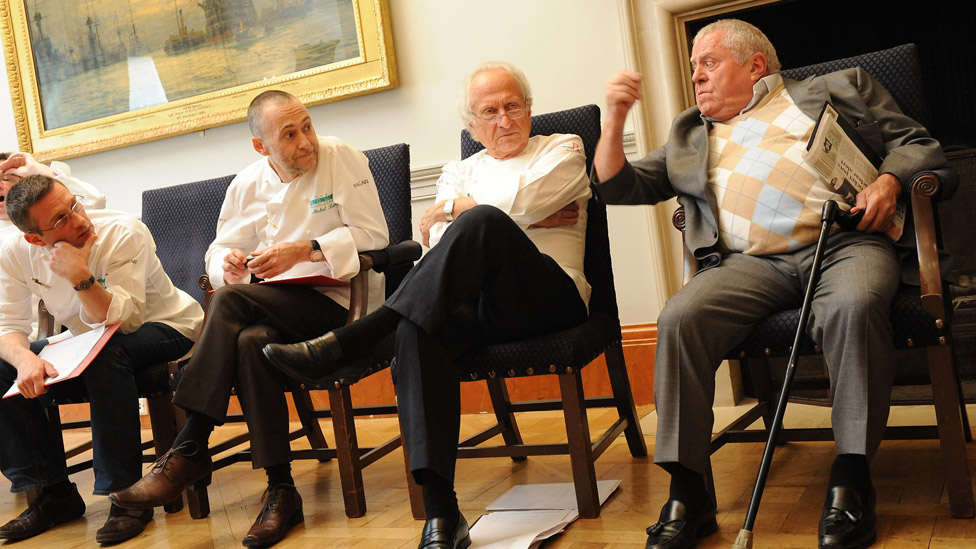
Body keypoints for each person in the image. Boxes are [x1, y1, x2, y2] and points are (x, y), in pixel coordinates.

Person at [591, 19, 947, 549]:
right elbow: (618, 186)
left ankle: (851, 477)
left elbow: (919, 145)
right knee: (679, 319)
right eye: (692, 68)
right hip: (750, 265)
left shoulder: (840, 86)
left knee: (852, 305)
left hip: (844, 243)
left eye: (708, 63)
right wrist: (616, 115)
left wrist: (890, 181)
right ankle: (689, 492)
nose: (696, 78)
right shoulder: (692, 132)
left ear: (755, 64)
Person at [262, 62, 591, 549]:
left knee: (481, 224)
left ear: (528, 109)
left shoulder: (563, 147)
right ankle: (441, 512)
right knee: (419, 327)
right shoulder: (459, 170)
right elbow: (435, 240)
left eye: (512, 107)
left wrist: (462, 211)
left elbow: (473, 221)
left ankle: (358, 336)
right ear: (472, 126)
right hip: (480, 309)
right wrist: (514, 218)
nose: (504, 120)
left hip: (549, 297)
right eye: (489, 112)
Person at [108, 90, 390, 548]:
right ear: (261, 146)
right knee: (249, 341)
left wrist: (309, 249)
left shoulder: (342, 157)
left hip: (340, 306)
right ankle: (281, 490)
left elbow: (376, 236)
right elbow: (217, 250)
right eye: (290, 134)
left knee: (233, 305)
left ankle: (190, 443)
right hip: (275, 306)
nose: (306, 142)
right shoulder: (246, 184)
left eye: (308, 126)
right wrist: (230, 265)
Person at [0, 174, 203, 544]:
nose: (79, 220)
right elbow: (7, 325)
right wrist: (24, 360)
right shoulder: (15, 253)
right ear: (34, 238)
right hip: (87, 339)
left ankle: (126, 496)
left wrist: (80, 277)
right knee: (5, 363)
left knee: (104, 351)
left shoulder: (123, 231)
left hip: (167, 326)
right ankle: (53, 493)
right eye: (60, 220)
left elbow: (128, 320)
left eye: (73, 205)